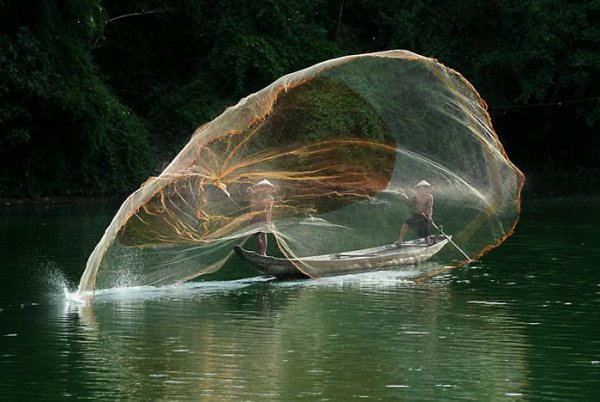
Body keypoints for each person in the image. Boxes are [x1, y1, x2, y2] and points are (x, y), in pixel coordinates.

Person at [395, 180, 433, 246]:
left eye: (423, 187)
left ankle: (428, 242)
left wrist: (429, 217)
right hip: (417, 214)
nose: (421, 189)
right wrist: (403, 194)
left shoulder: (429, 197)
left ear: (426, 188)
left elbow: (429, 208)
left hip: (425, 216)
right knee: (405, 224)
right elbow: (408, 200)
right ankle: (400, 240)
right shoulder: (416, 195)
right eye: (420, 188)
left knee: (424, 229)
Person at [249, 179, 276, 255]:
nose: (264, 188)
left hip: (263, 218)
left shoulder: (270, 198)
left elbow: (269, 211)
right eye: (262, 186)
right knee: (256, 235)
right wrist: (251, 218)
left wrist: (269, 222)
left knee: (263, 234)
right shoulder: (254, 197)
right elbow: (252, 209)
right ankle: (261, 252)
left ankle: (263, 253)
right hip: (256, 217)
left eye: (266, 187)